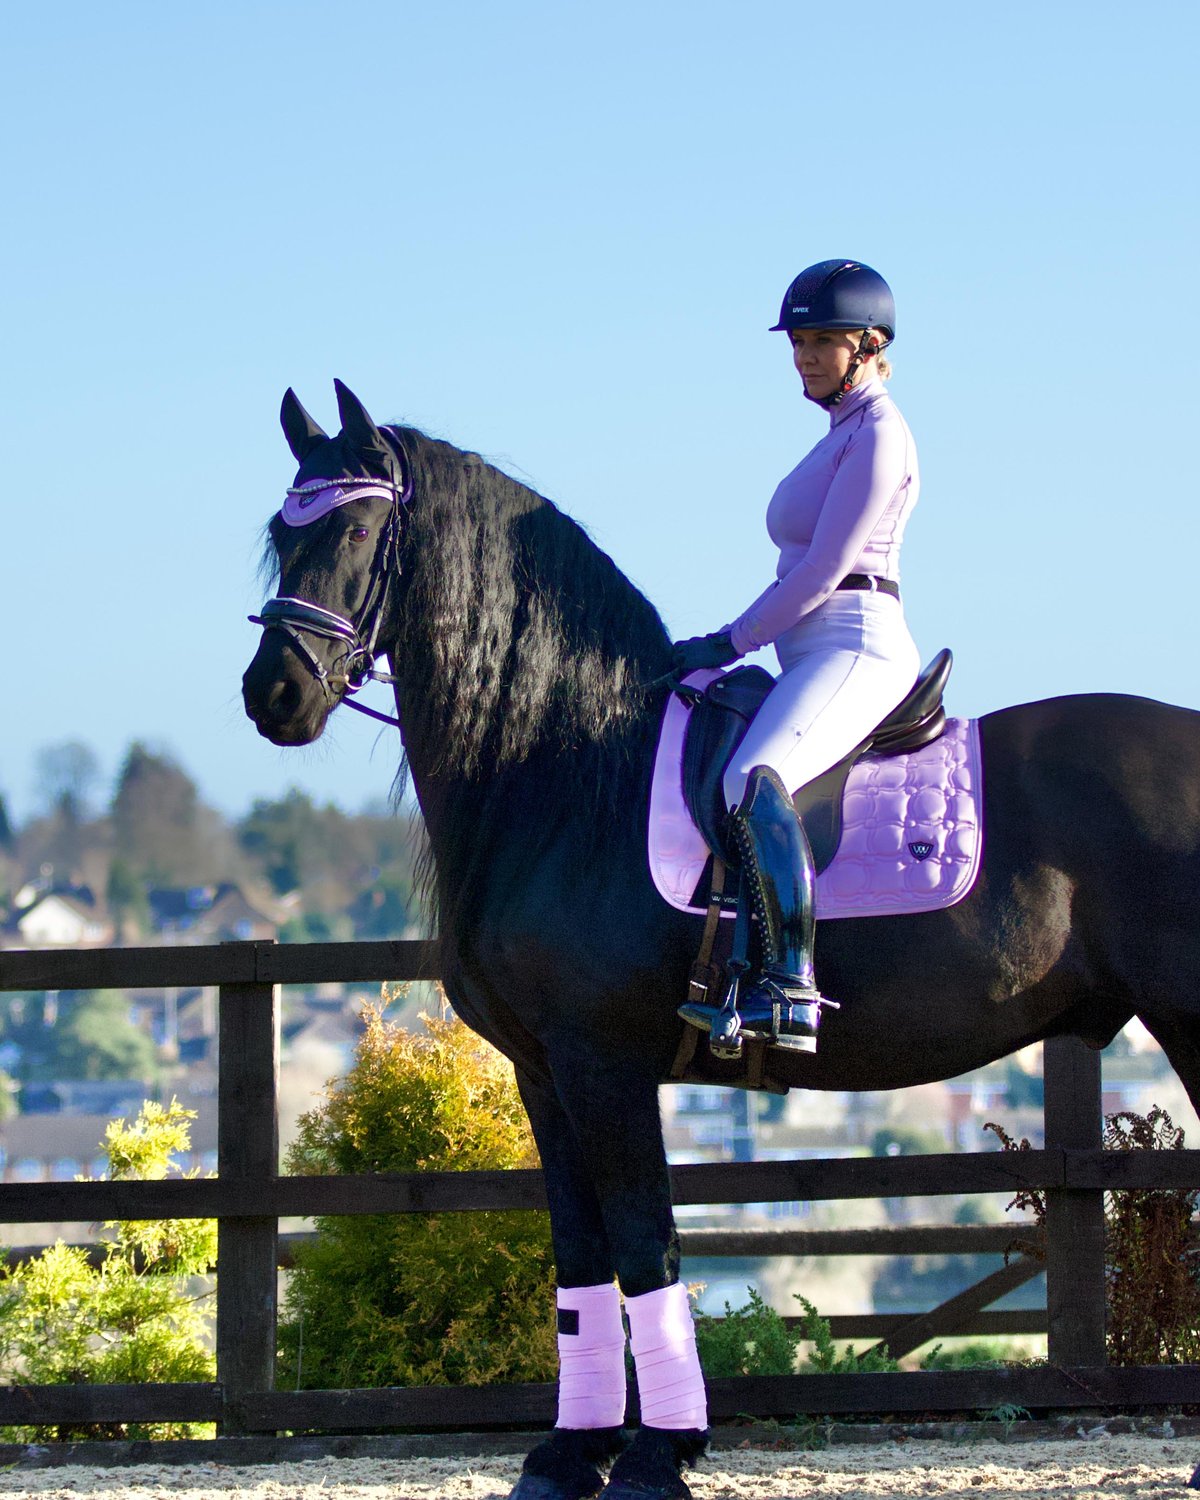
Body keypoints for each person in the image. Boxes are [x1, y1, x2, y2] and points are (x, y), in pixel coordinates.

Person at [674, 259, 921, 1054]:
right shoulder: (840, 433)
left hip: (855, 645)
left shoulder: (881, 433)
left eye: (822, 342)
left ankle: (789, 989)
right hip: (813, 648)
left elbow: (821, 571)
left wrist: (731, 640)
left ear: (869, 344)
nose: (805, 357)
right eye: (798, 343)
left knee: (752, 778)